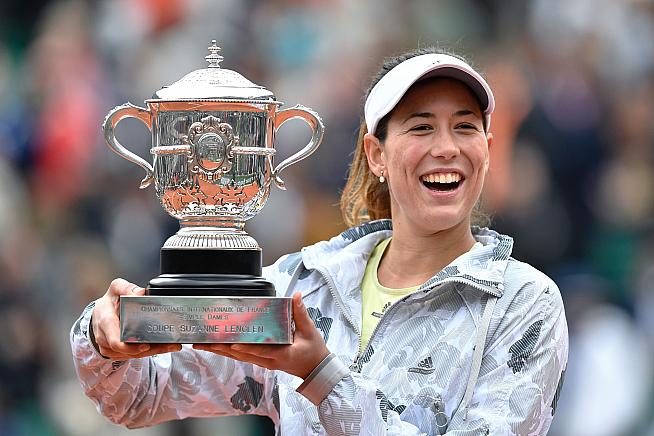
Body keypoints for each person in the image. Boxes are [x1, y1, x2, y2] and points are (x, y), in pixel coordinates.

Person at [71, 47, 568, 435]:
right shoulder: (306, 285)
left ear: (487, 148)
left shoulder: (522, 302)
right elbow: (142, 396)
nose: (446, 148)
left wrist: (321, 376)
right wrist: (103, 336)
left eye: (465, 127)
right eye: (421, 127)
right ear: (376, 154)